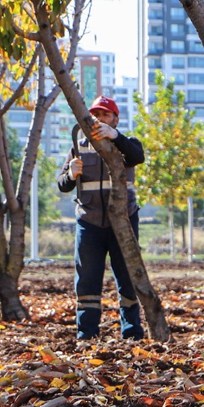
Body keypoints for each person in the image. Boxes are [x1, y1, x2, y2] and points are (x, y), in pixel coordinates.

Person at [57, 96, 145, 341]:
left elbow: (137, 157)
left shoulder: (127, 143)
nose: (99, 119)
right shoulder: (78, 147)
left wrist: (115, 136)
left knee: (128, 278)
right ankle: (86, 335)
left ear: (116, 119)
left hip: (124, 221)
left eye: (106, 114)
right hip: (89, 223)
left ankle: (132, 334)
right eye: (96, 114)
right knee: (87, 280)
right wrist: (70, 175)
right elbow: (62, 184)